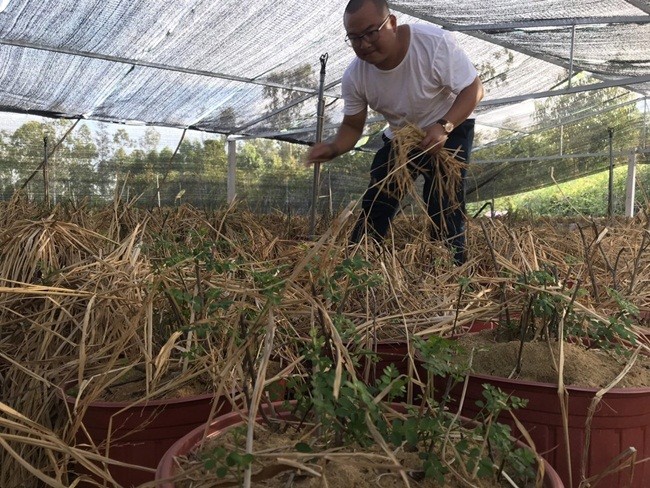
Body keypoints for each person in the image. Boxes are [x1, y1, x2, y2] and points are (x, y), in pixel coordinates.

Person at [306, 0, 484, 265]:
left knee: (444, 198)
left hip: (451, 122)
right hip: (403, 136)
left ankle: (450, 266)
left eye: (370, 33)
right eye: (354, 38)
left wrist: (444, 126)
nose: (364, 44)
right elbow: (353, 125)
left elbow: (474, 89)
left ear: (391, 23)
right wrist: (332, 148)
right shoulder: (355, 76)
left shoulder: (433, 44)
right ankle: (359, 261)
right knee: (379, 194)